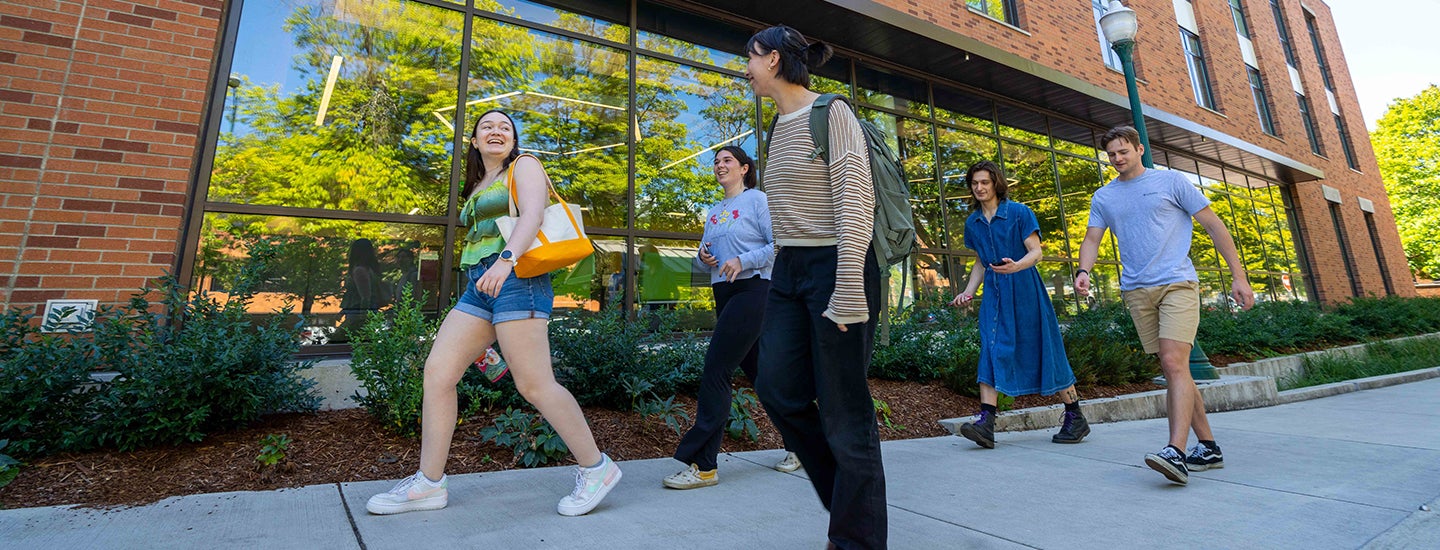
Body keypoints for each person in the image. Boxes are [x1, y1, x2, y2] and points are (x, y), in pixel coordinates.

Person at [367, 110, 621, 516]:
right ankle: (430, 485)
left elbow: (534, 214)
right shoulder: (479, 183)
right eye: (487, 126)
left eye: (505, 126)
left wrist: (505, 261)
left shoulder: (525, 166)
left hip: (517, 277)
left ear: (514, 139)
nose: (497, 131)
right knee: (438, 373)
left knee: (535, 385)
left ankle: (597, 468)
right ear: (474, 141)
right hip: (480, 287)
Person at [745, 25, 887, 549]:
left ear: (774, 60)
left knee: (844, 409)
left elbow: (856, 198)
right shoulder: (778, 126)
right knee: (776, 387)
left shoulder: (832, 113)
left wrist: (849, 282)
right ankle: (853, 498)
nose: (747, 69)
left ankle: (857, 539)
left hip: (839, 262)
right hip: (790, 268)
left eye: (751, 59)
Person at [1075, 126, 1255, 486]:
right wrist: (1084, 270)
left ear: (1139, 148)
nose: (1117, 158)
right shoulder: (1104, 197)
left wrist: (1240, 276)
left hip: (1177, 283)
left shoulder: (1171, 182)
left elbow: (1215, 226)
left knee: (1173, 363)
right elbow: (1092, 238)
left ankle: (1175, 451)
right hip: (1137, 291)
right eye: (1111, 154)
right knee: (1178, 370)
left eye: (1123, 151)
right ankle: (1208, 447)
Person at [663, 146, 799, 490]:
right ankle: (804, 444)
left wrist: (744, 260)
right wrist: (703, 256)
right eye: (716, 161)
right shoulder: (714, 211)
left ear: (744, 168)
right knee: (761, 375)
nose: (719, 165)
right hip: (724, 292)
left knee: (716, 370)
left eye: (727, 161)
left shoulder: (757, 200)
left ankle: (703, 464)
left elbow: (780, 244)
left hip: (754, 291)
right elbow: (704, 257)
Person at [949, 161, 1090, 449]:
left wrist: (1017, 267)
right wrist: (968, 292)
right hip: (994, 296)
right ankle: (986, 422)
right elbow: (980, 261)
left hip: (1026, 290)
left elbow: (1036, 252)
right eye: (975, 183)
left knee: (1043, 348)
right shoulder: (973, 222)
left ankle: (1075, 415)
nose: (979, 188)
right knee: (991, 348)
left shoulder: (1019, 213)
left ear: (996, 183)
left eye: (984, 182)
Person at [336, 238, 390, 343]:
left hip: (358, 314)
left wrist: (362, 318)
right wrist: (344, 311)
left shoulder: (360, 270)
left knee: (343, 340)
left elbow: (365, 297)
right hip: (359, 312)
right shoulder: (369, 270)